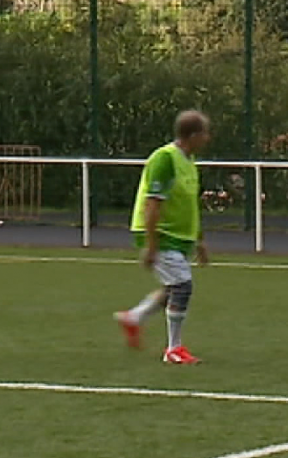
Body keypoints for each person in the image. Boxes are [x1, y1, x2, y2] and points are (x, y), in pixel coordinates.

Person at [113, 110, 212, 365]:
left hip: (178, 236)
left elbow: (190, 205)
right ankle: (174, 349)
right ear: (193, 135)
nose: (208, 138)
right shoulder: (165, 159)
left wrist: (199, 240)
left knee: (173, 288)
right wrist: (151, 245)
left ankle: (134, 318)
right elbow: (152, 204)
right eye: (205, 133)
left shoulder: (189, 162)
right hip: (162, 234)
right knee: (182, 286)